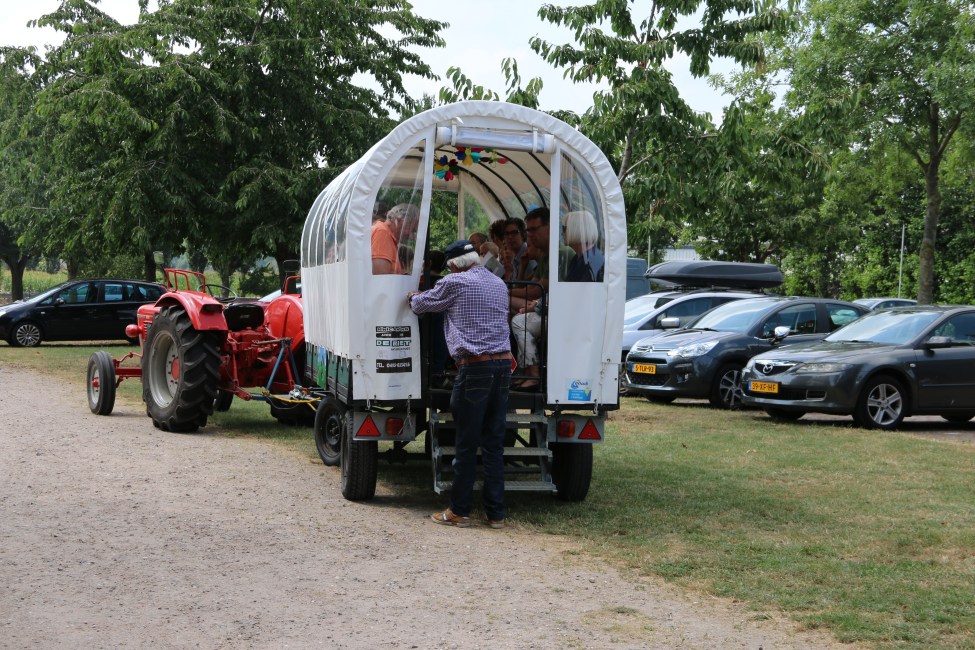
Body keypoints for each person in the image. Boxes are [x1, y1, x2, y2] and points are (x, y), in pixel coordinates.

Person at [407, 240, 512, 529]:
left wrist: (413, 295)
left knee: (466, 443)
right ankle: (496, 513)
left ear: (454, 265)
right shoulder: (498, 283)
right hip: (503, 366)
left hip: (475, 367)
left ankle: (459, 510)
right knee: (493, 444)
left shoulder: (454, 282)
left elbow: (420, 305)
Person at [372, 203, 419, 274]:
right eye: (412, 230)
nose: (411, 237)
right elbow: (381, 277)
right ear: (399, 219)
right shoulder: (382, 233)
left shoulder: (386, 234)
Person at [563, 210, 604, 282]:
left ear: (575, 229)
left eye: (564, 229)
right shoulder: (579, 258)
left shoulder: (588, 262)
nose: (562, 233)